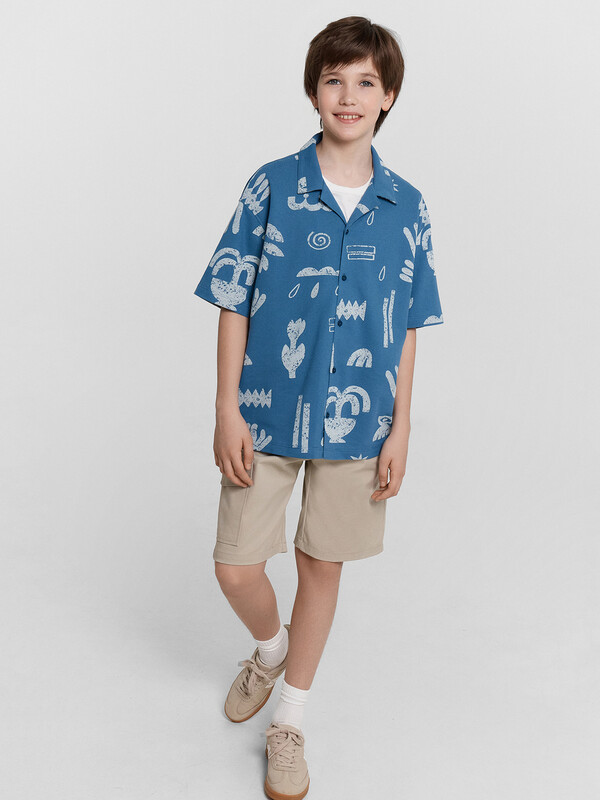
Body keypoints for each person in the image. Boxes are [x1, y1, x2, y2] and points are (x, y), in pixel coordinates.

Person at [193, 15, 444, 799]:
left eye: (366, 81)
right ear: (313, 91)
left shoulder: (407, 206)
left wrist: (401, 428)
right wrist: (226, 408)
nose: (349, 95)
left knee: (320, 565)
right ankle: (269, 651)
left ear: (388, 96)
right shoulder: (271, 185)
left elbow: (408, 324)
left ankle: (290, 720)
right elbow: (232, 297)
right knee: (236, 567)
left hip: (360, 422)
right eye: (335, 79)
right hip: (265, 411)